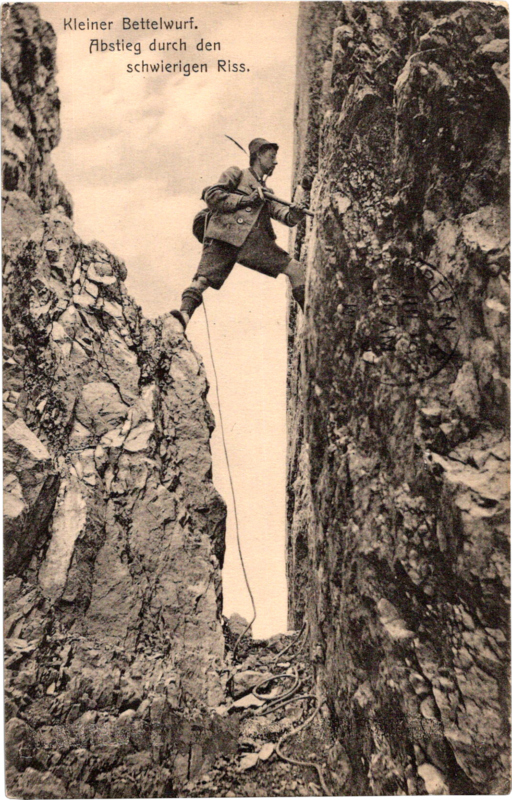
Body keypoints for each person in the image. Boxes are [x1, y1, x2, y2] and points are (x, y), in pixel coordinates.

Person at [170, 138, 307, 330]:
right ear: (258, 155)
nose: (275, 162)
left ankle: (311, 318)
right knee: (201, 280)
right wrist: (247, 199)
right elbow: (212, 195)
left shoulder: (269, 192)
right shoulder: (236, 173)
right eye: (272, 156)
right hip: (224, 235)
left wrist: (295, 214)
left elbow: (285, 217)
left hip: (254, 243)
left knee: (296, 270)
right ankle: (182, 318)